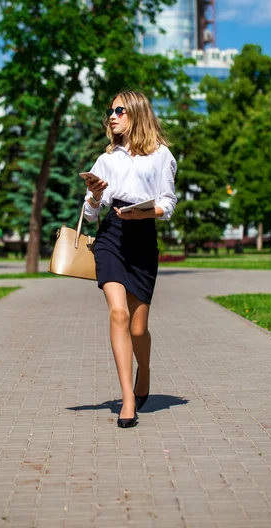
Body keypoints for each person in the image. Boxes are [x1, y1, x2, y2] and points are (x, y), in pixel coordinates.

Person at [83, 90, 177, 428]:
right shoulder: (106, 158)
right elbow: (90, 215)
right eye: (109, 110)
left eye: (119, 110)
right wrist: (94, 195)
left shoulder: (161, 155)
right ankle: (127, 399)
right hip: (111, 238)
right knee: (118, 313)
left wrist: (144, 213)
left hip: (142, 237)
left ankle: (145, 370)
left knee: (139, 328)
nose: (112, 115)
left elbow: (168, 202)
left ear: (135, 113)